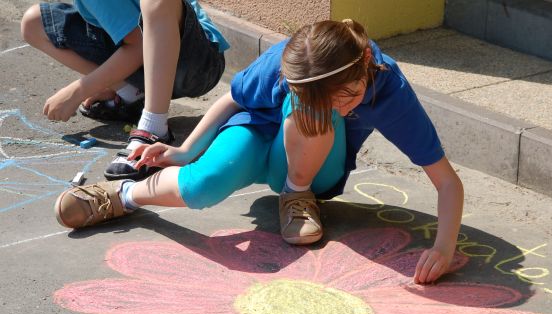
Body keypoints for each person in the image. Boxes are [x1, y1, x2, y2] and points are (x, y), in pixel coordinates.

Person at [53, 19, 464, 284]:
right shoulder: (291, 59)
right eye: (335, 101)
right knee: (204, 186)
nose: (341, 109)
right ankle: (122, 196)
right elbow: (233, 100)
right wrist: (185, 151)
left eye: (346, 98)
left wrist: (444, 249)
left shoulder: (389, 88)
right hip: (259, 132)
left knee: (314, 111)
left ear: (365, 67)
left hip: (314, 170)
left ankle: (296, 195)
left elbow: (447, 182)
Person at [20, 0, 229, 180]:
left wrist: (79, 90)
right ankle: (130, 93)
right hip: (150, 59)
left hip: (196, 66)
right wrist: (101, 82)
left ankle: (154, 128)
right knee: (34, 23)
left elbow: (138, 45)